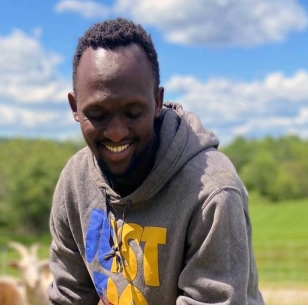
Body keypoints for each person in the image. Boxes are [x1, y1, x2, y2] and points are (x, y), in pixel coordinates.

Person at [48, 18, 264, 305]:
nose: (116, 132)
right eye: (98, 114)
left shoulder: (212, 192)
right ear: (75, 108)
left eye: (133, 112)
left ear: (157, 101)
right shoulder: (76, 182)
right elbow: (68, 296)